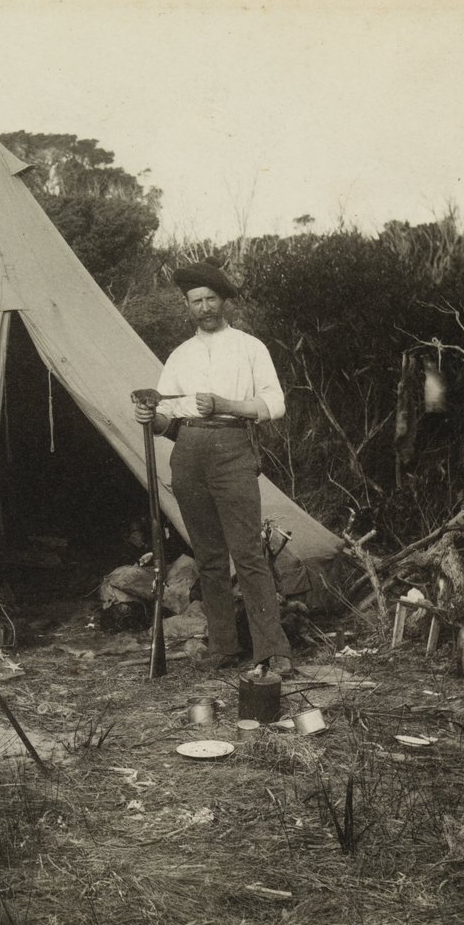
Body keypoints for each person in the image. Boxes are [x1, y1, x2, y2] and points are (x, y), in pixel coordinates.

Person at [133, 256, 294, 676]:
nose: (203, 308)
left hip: (232, 446)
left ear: (223, 301)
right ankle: (225, 645)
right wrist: (153, 419)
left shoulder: (249, 347)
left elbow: (275, 403)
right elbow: (170, 417)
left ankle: (273, 650)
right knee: (208, 557)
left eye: (209, 299)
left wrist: (227, 405)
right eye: (194, 302)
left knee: (248, 552)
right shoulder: (180, 355)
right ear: (187, 306)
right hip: (187, 452)